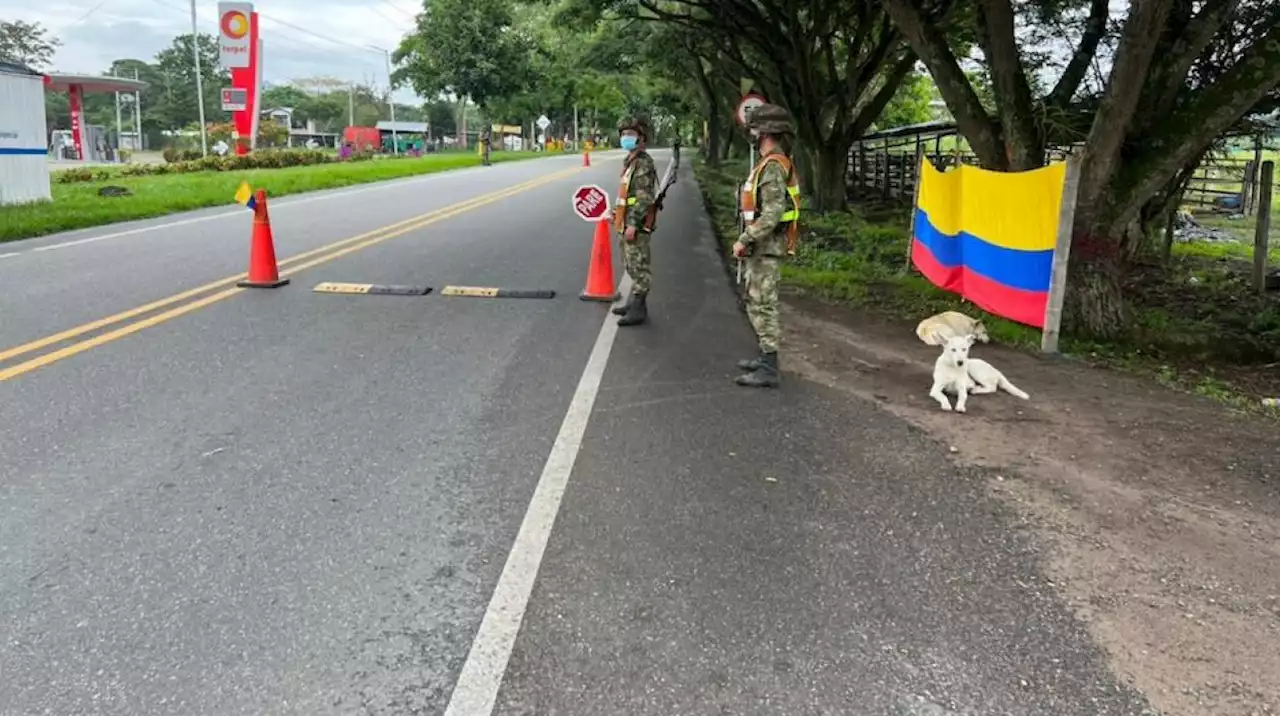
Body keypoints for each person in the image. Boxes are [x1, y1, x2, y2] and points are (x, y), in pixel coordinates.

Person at [733, 103, 802, 388]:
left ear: (764, 132)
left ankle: (769, 367)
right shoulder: (768, 162)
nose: (750, 132)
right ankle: (764, 357)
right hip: (761, 247)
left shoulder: (773, 165)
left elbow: (772, 213)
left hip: (765, 246)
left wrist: (745, 239)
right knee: (755, 302)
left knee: (764, 305)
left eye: (754, 127)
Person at [611, 116, 659, 327]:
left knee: (639, 265)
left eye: (630, 134)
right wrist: (615, 213)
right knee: (630, 263)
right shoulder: (631, 160)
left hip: (636, 223)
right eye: (623, 134)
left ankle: (639, 308)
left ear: (641, 137)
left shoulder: (643, 163)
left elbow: (643, 197)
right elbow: (626, 195)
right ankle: (634, 303)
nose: (625, 138)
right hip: (626, 220)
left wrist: (633, 223)